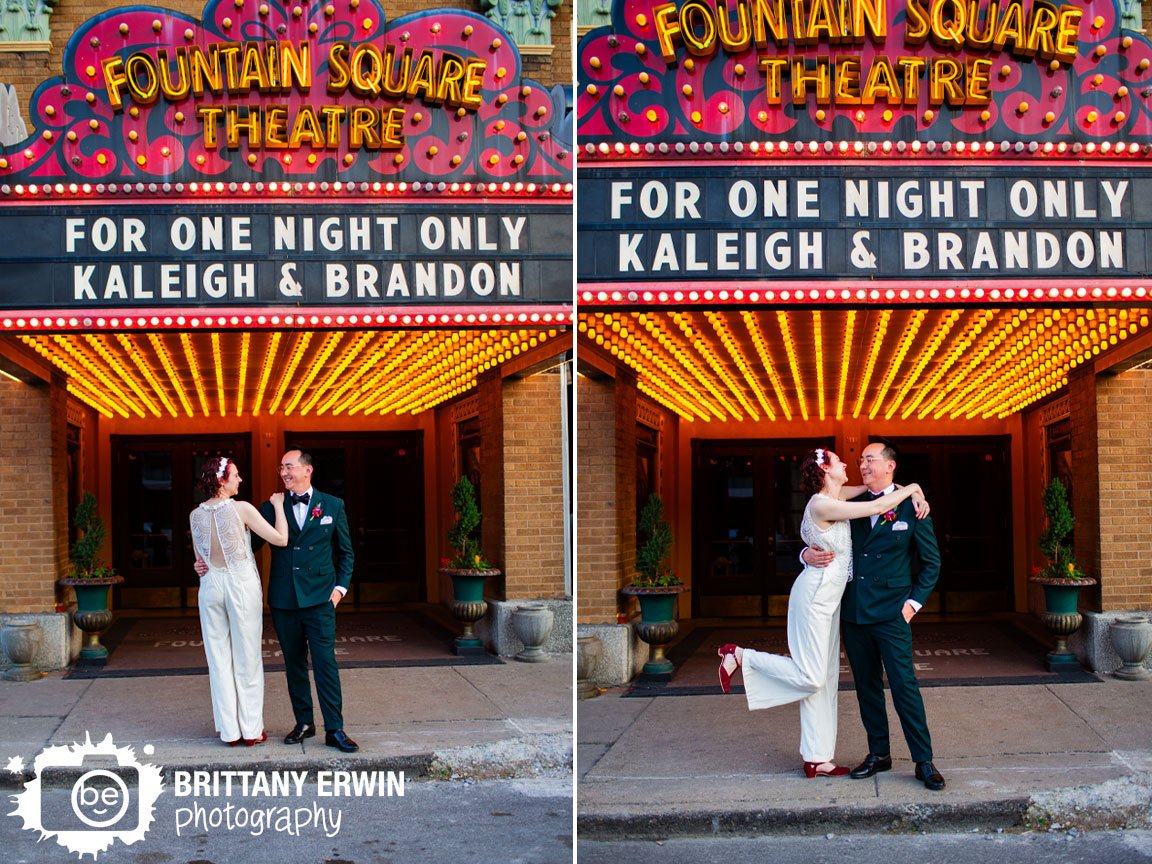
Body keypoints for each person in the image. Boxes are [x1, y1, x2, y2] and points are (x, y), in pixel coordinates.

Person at [717, 448, 927, 778]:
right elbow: (874, 505)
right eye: (841, 461)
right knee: (813, 676)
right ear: (826, 470)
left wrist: (903, 487)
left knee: (827, 681)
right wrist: (914, 487)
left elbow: (872, 492)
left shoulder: (838, 494)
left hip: (837, 604)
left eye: (863, 460)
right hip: (817, 599)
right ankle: (742, 656)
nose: (852, 464)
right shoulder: (821, 502)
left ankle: (818, 757)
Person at [802, 440, 945, 791]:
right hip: (854, 611)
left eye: (869, 459)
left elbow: (931, 563)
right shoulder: (850, 501)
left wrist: (912, 605)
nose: (862, 465)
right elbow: (818, 533)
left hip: (893, 613)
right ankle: (879, 754)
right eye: (860, 459)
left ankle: (923, 760)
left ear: (889, 465)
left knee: (904, 686)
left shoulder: (915, 508)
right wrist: (805, 554)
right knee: (866, 687)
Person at [255, 449, 358, 753]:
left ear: (307, 470)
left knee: (326, 662)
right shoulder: (271, 506)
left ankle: (335, 729)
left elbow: (346, 552)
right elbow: (248, 546)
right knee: (294, 664)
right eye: (281, 468)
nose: (284, 473)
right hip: (285, 600)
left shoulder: (333, 505)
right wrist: (210, 560)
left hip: (320, 599)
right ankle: (304, 723)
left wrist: (339, 589)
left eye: (289, 467)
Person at [190, 456, 288, 746]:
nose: (240, 480)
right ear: (221, 481)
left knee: (218, 659)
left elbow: (200, 562)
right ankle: (251, 729)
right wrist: (279, 506)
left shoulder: (194, 515)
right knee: (247, 659)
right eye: (235, 475)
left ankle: (229, 732)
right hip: (240, 585)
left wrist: (200, 566)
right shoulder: (242, 509)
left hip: (209, 587)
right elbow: (280, 539)